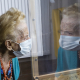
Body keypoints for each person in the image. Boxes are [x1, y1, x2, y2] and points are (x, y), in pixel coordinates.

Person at [0, 8, 32, 80]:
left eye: (28, 36)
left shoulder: (13, 59)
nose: (29, 40)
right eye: (25, 37)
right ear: (8, 44)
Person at [56, 3, 80, 73]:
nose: (63, 37)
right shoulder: (62, 50)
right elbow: (58, 75)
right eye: (61, 31)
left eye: (68, 33)